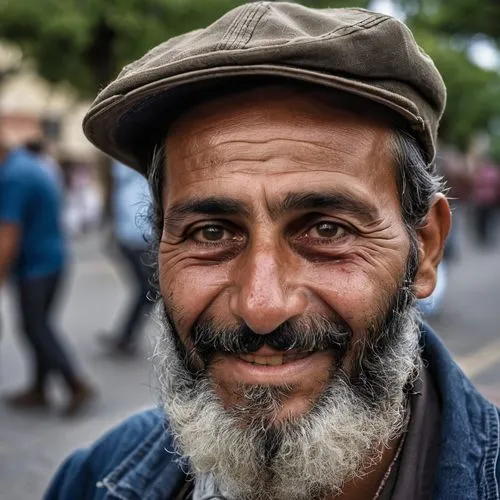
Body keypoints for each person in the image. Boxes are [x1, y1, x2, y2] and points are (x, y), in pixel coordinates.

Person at [45, 3, 500, 499]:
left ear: (425, 249)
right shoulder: (94, 477)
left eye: (327, 230)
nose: (261, 306)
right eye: (212, 233)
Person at [0, 141, 95, 416]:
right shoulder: (28, 164)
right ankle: (39, 388)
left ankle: (75, 382)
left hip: (36, 265)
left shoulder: (13, 177)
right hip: (53, 259)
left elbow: (8, 232)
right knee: (39, 323)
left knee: (35, 327)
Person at [98, 161, 154, 355]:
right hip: (136, 239)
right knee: (148, 289)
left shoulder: (133, 175)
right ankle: (125, 337)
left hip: (139, 238)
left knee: (149, 290)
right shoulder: (129, 171)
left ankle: (125, 336)